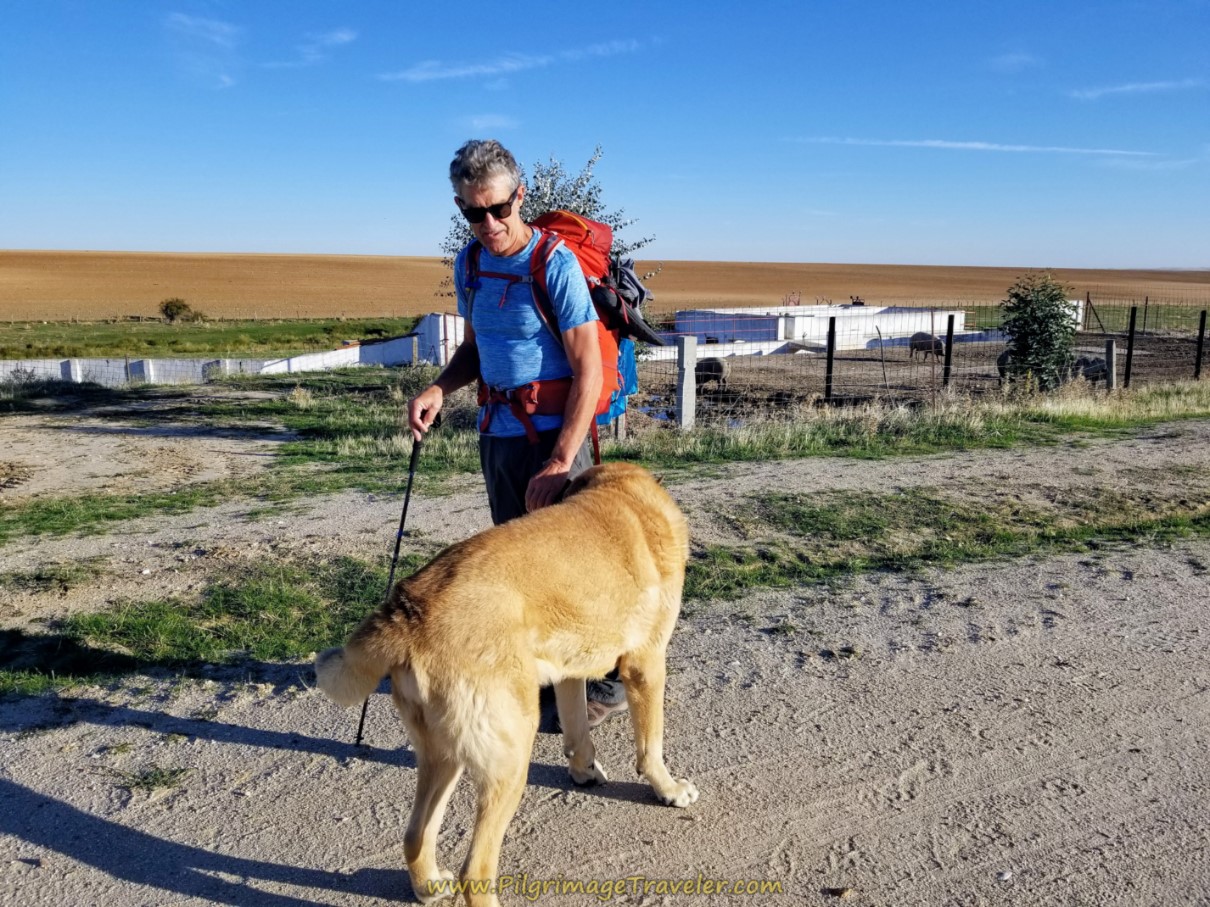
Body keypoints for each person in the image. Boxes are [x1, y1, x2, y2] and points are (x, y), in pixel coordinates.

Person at [407, 138, 627, 727]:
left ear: (519, 197)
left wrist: (560, 460)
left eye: (498, 209)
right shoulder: (470, 264)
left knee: (581, 565)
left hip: (557, 436)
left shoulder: (551, 263)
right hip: (499, 433)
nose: (487, 224)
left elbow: (589, 369)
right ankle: (552, 681)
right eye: (471, 212)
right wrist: (438, 388)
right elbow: (477, 352)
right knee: (521, 562)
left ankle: (604, 683)